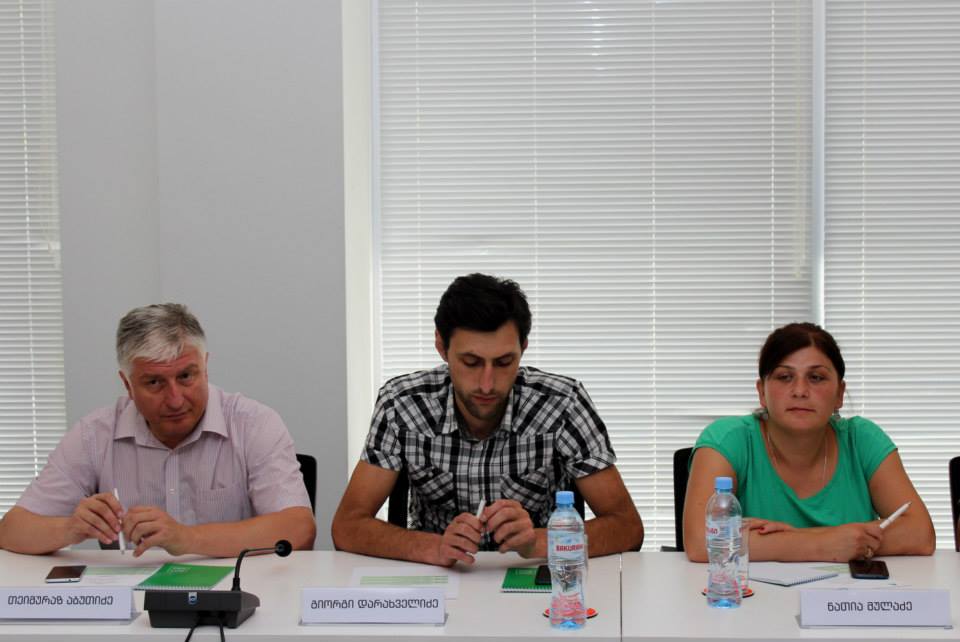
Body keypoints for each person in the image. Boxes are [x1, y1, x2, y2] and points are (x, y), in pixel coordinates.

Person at [332, 273, 643, 566]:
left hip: (532, 573)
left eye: (504, 362)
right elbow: (347, 526)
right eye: (471, 362)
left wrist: (539, 541)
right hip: (441, 577)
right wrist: (433, 547)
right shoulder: (401, 404)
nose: (487, 384)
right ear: (441, 347)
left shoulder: (563, 403)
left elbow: (627, 527)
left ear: (523, 348)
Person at [0, 303, 316, 557]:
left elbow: (299, 529)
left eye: (186, 377)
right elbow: (11, 531)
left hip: (236, 597)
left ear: (205, 367)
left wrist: (188, 539)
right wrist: (70, 529)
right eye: (154, 382)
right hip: (130, 604)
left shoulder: (254, 424)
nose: (175, 399)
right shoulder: (94, 435)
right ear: (127, 384)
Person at [684, 322, 935, 562]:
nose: (800, 391)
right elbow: (699, 541)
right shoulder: (727, 439)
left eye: (816, 377)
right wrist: (824, 544)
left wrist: (790, 540)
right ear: (762, 392)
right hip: (753, 591)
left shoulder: (862, 439)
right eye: (785, 377)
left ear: (839, 394)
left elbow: (920, 535)